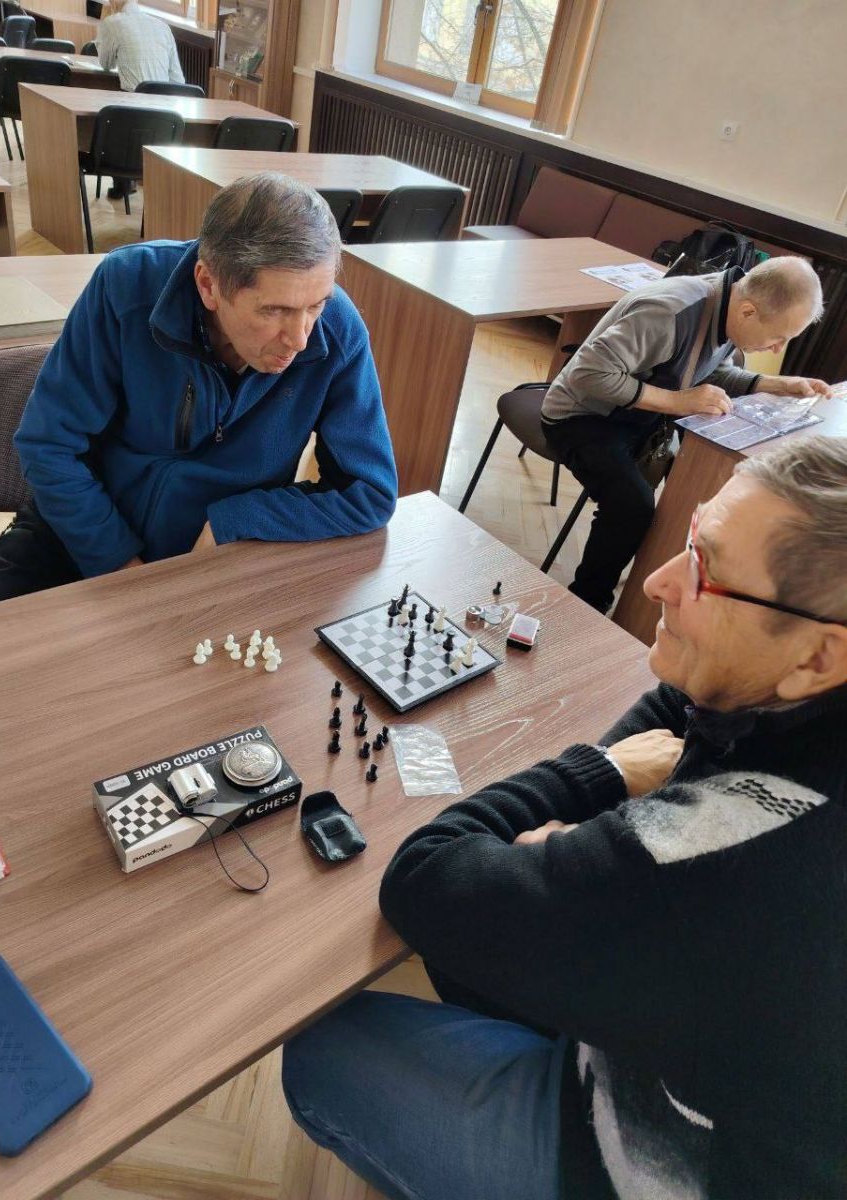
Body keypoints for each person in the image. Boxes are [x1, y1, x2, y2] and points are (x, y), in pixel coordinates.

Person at [281, 435, 847, 1200]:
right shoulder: (801, 691)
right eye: (691, 540)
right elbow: (686, 700)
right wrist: (586, 855)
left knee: (320, 1048)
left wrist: (602, 777)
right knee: (470, 944)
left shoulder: (723, 853)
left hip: (675, 1165)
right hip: (731, 1058)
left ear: (816, 657)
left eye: (707, 574)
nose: (659, 581)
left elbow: (423, 876)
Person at [0, 173, 397, 610]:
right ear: (208, 285)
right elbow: (48, 443)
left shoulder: (338, 333)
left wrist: (239, 519)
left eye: (316, 305)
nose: (301, 339)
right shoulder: (126, 285)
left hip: (219, 550)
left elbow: (370, 493)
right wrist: (119, 565)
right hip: (84, 522)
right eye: (275, 311)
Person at [540, 255, 830, 613]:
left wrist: (775, 384)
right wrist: (678, 402)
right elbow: (587, 375)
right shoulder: (670, 312)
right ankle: (586, 605)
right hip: (581, 415)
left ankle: (656, 596)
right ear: (749, 312)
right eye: (778, 338)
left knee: (699, 485)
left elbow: (708, 372)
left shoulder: (730, 306)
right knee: (632, 506)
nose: (777, 349)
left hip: (639, 416)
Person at [96, 0, 186, 198]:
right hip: (165, 116)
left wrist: (102, 30)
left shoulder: (112, 22)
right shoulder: (163, 26)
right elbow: (178, 81)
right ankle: (131, 182)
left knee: (113, 105)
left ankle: (123, 181)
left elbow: (105, 63)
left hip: (131, 114)